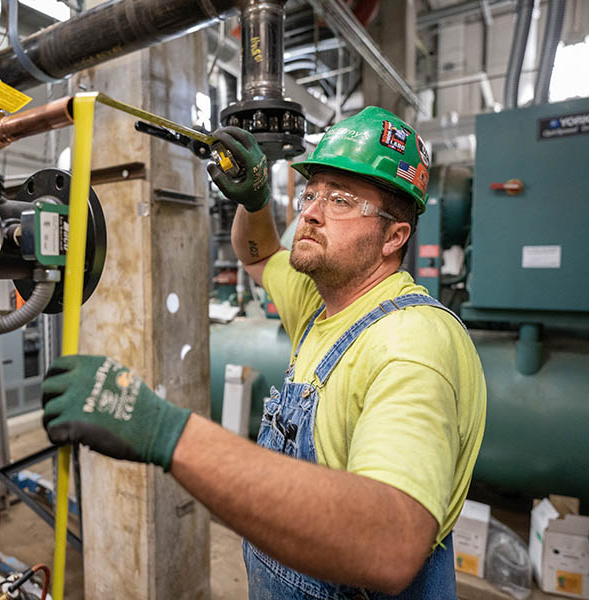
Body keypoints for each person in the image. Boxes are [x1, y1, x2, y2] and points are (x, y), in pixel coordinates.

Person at [41, 106, 486, 599]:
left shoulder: (410, 342)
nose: (311, 212)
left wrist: (162, 430)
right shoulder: (326, 299)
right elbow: (258, 255)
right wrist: (255, 202)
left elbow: (392, 542)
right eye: (312, 194)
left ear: (393, 238)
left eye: (340, 200)